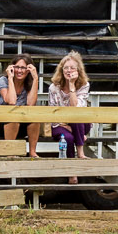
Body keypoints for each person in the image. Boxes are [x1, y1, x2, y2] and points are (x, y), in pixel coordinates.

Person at [45, 51, 91, 181]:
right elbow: (53, 113)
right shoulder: (53, 88)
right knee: (68, 138)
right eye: (66, 68)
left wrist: (71, 85)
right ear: (61, 70)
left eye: (72, 68)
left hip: (79, 122)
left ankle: (80, 152)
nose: (69, 70)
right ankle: (72, 173)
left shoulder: (84, 85)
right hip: (59, 124)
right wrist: (67, 127)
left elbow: (76, 108)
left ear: (78, 70)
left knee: (76, 116)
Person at [0, 53, 40, 155]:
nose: (19, 71)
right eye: (17, 67)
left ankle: (32, 152)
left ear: (28, 70)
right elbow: (11, 101)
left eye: (23, 68)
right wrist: (10, 78)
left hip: (20, 122)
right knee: (13, 120)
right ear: (12, 67)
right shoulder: (3, 81)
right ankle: (10, 153)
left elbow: (31, 104)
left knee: (35, 120)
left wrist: (36, 78)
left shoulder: (30, 83)